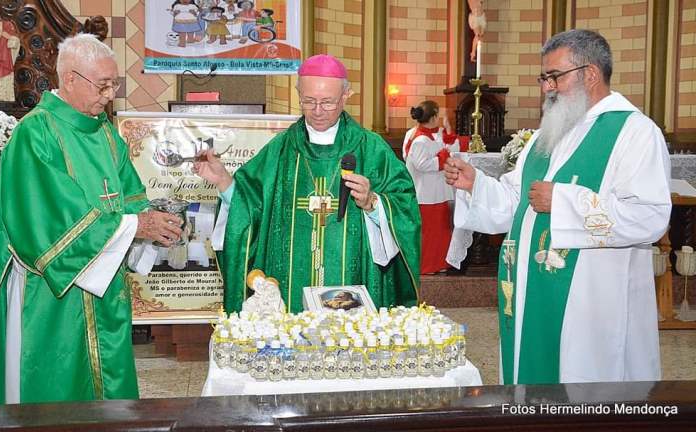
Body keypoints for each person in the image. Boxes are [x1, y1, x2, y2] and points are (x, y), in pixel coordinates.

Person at [444, 29, 671, 385]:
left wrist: (564, 202)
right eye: (544, 77)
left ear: (590, 73)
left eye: (554, 77)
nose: (546, 87)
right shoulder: (547, 134)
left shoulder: (635, 132)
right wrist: (476, 184)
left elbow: (650, 216)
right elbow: (520, 202)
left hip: (592, 304)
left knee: (586, 387)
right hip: (531, 293)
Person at [0, 34, 183, 405]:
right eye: (103, 85)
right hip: (51, 291)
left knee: (106, 393)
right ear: (70, 79)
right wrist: (135, 226)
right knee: (54, 388)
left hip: (103, 287)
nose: (109, 94)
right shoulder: (34, 133)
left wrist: (153, 225)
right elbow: (49, 219)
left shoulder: (105, 133)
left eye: (113, 84)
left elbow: (130, 196)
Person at [194, 54, 420, 313]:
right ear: (298, 95)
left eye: (327, 102)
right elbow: (250, 204)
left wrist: (373, 203)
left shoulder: (372, 149)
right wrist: (224, 181)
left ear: (346, 96)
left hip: (354, 272)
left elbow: (405, 207)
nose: (317, 111)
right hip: (289, 277)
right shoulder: (280, 150)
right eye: (309, 101)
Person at [403, 101, 459, 274]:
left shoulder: (420, 134)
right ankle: (427, 266)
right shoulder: (420, 139)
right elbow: (422, 164)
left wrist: (448, 136)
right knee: (430, 234)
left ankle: (440, 263)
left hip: (435, 192)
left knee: (440, 232)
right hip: (426, 194)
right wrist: (444, 156)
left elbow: (445, 145)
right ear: (434, 117)